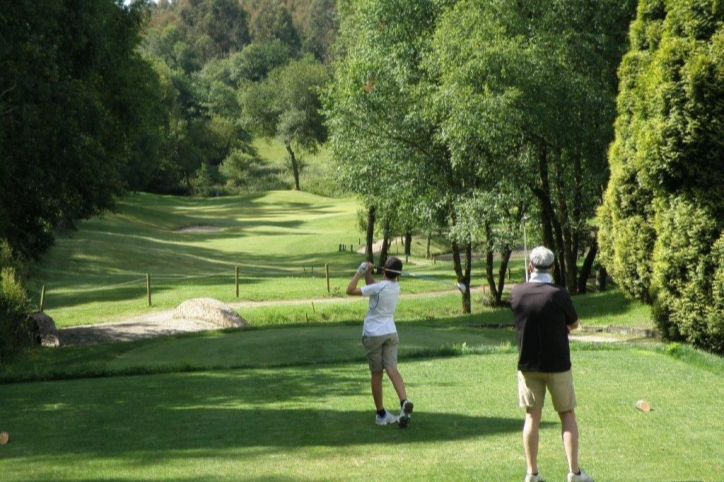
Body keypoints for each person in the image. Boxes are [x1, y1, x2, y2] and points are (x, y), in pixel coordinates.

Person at [510, 246, 593, 482]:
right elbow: (574, 324)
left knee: (531, 417)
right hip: (557, 364)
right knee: (567, 414)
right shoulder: (559, 294)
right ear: (553, 268)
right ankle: (574, 472)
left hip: (528, 365)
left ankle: (532, 473)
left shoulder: (517, 292)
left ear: (529, 267)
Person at [346, 256, 414, 427]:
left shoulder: (379, 287)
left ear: (384, 270)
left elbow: (350, 289)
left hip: (373, 334)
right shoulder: (395, 286)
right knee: (392, 368)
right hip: (391, 332)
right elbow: (373, 287)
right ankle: (404, 401)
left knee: (377, 373)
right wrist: (369, 272)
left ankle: (381, 414)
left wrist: (359, 272)